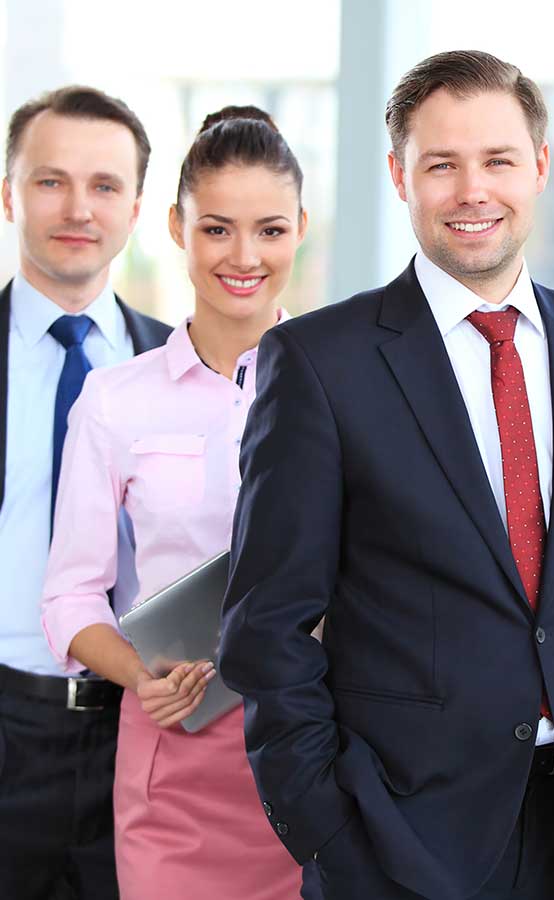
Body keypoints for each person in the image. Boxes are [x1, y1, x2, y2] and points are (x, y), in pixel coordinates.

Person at [219, 50, 554, 900]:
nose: (473, 190)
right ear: (399, 175)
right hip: (398, 837)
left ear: (539, 166)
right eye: (441, 165)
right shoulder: (319, 363)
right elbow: (266, 629)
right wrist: (330, 831)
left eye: (497, 160)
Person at [40, 106, 317, 900]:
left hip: (314, 749)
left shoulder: (347, 389)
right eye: (216, 229)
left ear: (300, 228)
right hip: (174, 753)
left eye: (269, 230)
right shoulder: (114, 401)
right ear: (176, 227)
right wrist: (138, 673)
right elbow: (68, 594)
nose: (243, 257)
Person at [0, 85, 171, 899]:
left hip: (150, 734)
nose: (78, 208)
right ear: (8, 193)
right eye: (50, 180)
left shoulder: (186, 368)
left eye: (105, 185)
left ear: (136, 208)